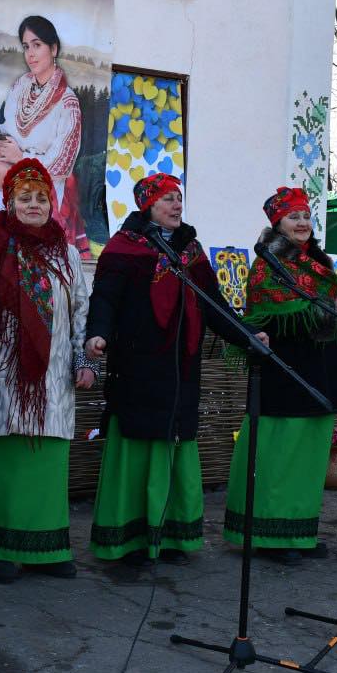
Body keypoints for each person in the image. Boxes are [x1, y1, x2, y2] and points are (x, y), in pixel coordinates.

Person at [84, 173, 267, 568]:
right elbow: (105, 299)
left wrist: (247, 335)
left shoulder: (191, 253)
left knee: (176, 442)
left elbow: (214, 305)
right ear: (147, 205)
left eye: (178, 198)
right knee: (138, 444)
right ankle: (130, 539)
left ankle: (171, 536)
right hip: (137, 366)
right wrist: (97, 334)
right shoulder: (123, 247)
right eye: (167, 198)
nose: (176, 204)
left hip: (182, 368)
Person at [0, 158, 98, 583]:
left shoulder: (66, 253)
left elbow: (80, 310)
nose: (34, 205)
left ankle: (44, 549)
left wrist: (84, 359)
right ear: (10, 202)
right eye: (25, 198)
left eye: (41, 198)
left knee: (44, 462)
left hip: (50, 378)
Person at [223, 187, 337, 565]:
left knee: (309, 458)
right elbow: (287, 317)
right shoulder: (267, 265)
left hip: (319, 372)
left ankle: (299, 531)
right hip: (286, 376)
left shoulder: (315, 263)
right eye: (293, 217)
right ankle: (270, 535)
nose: (303, 222)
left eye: (306, 215)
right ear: (277, 223)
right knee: (282, 456)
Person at [0, 15, 90, 258]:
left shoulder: (67, 102)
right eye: (26, 46)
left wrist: (20, 158)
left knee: (17, 251)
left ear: (54, 49)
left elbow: (63, 163)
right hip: (9, 175)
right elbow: (10, 126)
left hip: (42, 185)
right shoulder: (22, 85)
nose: (30, 54)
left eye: (37, 45)